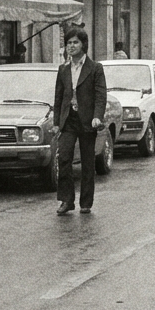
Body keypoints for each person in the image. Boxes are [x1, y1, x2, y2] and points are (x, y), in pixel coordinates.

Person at [52, 27, 106, 215]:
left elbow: (100, 95)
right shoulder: (63, 69)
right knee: (64, 158)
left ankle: (86, 202)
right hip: (68, 121)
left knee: (87, 162)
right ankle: (67, 200)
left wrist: (97, 117)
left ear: (83, 45)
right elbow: (59, 97)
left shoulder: (95, 68)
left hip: (87, 121)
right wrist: (56, 122)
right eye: (68, 43)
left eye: (75, 42)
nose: (71, 46)